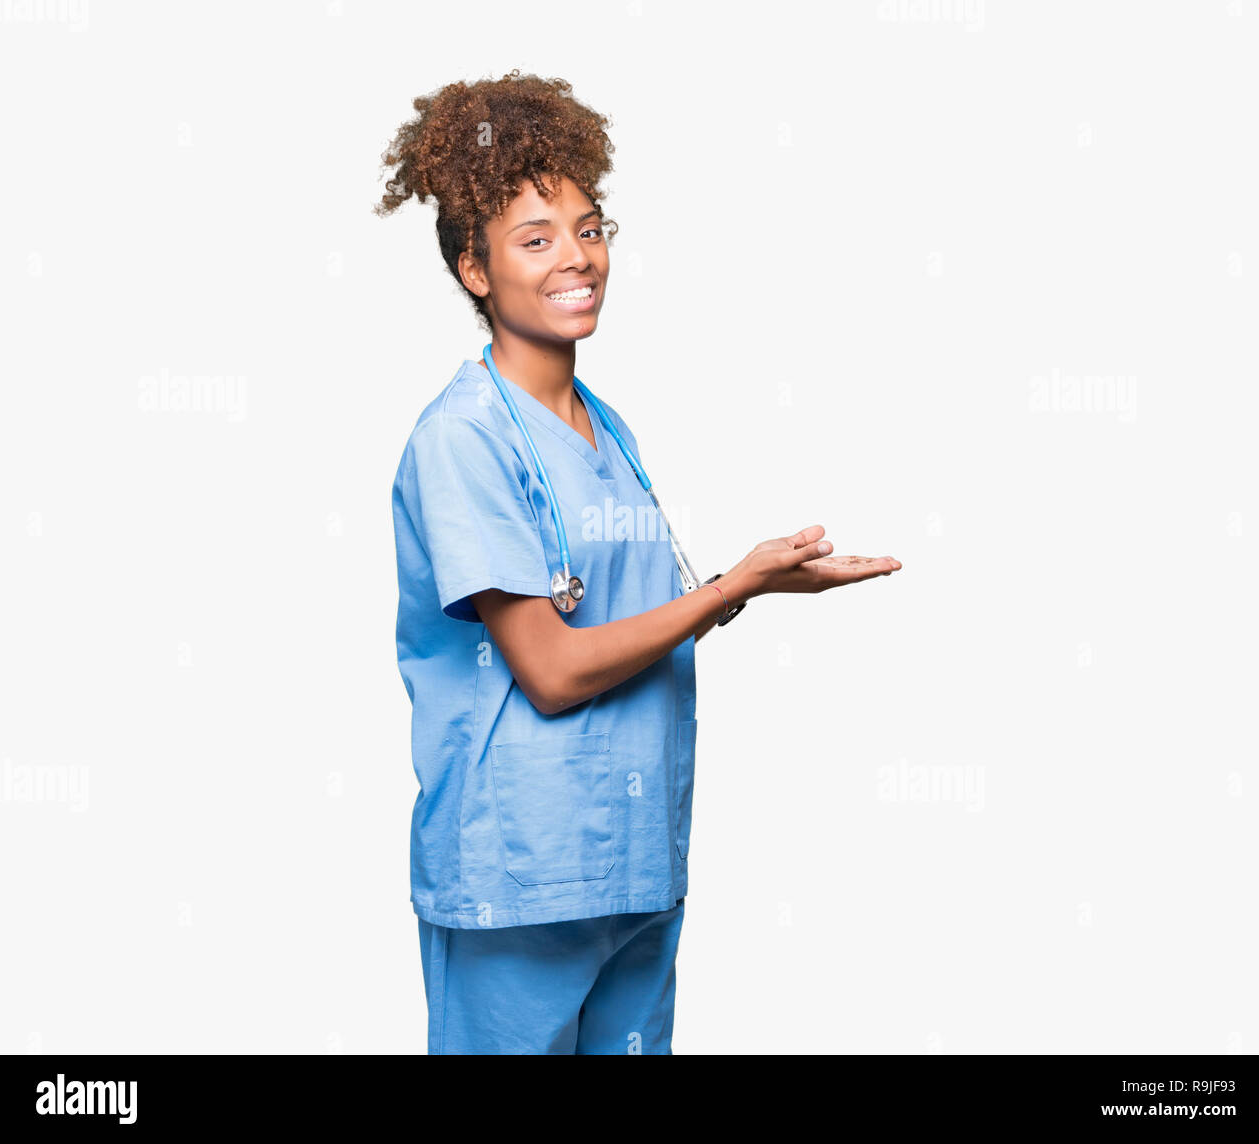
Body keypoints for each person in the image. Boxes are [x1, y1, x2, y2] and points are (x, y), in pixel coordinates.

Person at [377, 69, 901, 1055]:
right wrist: (728, 586)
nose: (575, 257)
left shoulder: (602, 427)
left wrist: (756, 584)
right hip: (520, 877)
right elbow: (554, 667)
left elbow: (637, 612)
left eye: (588, 226)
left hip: (632, 866)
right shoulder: (462, 439)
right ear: (472, 270)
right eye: (534, 239)